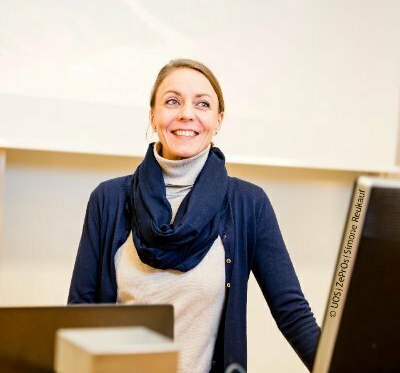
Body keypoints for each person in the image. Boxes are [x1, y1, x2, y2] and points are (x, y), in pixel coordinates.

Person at [68, 58, 320, 373]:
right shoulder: (109, 199)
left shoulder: (248, 204)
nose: (187, 113)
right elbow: (79, 315)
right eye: (172, 101)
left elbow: (292, 314)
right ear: (153, 115)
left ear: (218, 120)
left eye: (202, 104)